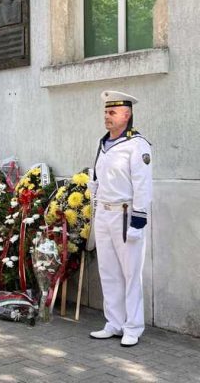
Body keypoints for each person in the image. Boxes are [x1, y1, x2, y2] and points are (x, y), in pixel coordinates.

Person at [88, 90, 152, 347]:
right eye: (106, 112)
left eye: (112, 112)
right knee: (109, 272)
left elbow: (143, 184)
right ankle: (114, 323)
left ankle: (133, 327)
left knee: (130, 273)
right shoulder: (103, 143)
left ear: (127, 115)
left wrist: (138, 221)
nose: (107, 116)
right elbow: (99, 177)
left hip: (125, 215)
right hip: (104, 214)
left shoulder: (137, 145)